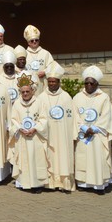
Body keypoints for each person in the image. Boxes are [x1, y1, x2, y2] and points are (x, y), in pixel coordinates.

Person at [73, 65, 112, 194]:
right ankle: (83, 183)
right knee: (83, 158)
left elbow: (106, 115)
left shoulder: (103, 97)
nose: (88, 85)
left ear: (97, 83)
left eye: (91, 83)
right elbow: (75, 116)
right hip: (83, 133)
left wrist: (94, 128)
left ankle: (99, 184)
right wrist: (85, 127)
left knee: (97, 158)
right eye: (86, 83)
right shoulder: (77, 97)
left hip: (97, 134)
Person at [38, 62, 75, 193]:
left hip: (62, 134)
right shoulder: (41, 98)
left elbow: (72, 118)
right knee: (49, 158)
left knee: (63, 157)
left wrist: (71, 134)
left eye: (54, 81)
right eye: (50, 81)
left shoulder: (66, 97)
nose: (52, 84)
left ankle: (64, 183)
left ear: (59, 82)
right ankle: (49, 183)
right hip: (48, 135)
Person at [9, 72, 48, 193]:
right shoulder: (16, 103)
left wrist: (35, 128)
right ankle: (23, 183)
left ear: (33, 91)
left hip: (35, 137)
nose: (25, 94)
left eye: (27, 91)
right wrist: (19, 128)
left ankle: (36, 184)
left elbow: (43, 119)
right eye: (23, 92)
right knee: (23, 160)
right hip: (22, 137)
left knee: (35, 160)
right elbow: (13, 119)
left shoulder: (39, 102)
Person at [24, 25, 53, 94]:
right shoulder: (24, 54)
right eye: (32, 41)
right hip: (29, 86)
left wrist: (45, 72)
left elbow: (52, 66)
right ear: (28, 42)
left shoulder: (46, 53)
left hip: (42, 84)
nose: (34, 42)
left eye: (36, 40)